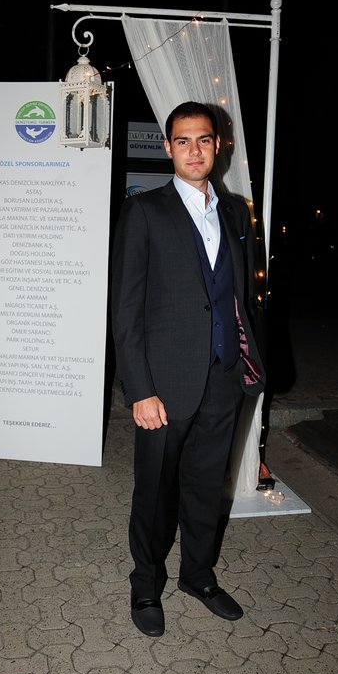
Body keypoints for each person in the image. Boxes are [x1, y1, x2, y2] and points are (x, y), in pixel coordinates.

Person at [111, 101, 266, 637]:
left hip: (223, 377)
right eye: (182, 141)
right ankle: (145, 584)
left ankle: (198, 576)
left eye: (203, 140)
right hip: (163, 385)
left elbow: (239, 296)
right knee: (154, 492)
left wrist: (244, 362)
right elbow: (126, 309)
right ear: (168, 147)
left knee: (204, 487)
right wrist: (140, 389)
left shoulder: (237, 213)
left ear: (218, 146)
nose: (193, 150)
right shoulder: (145, 211)